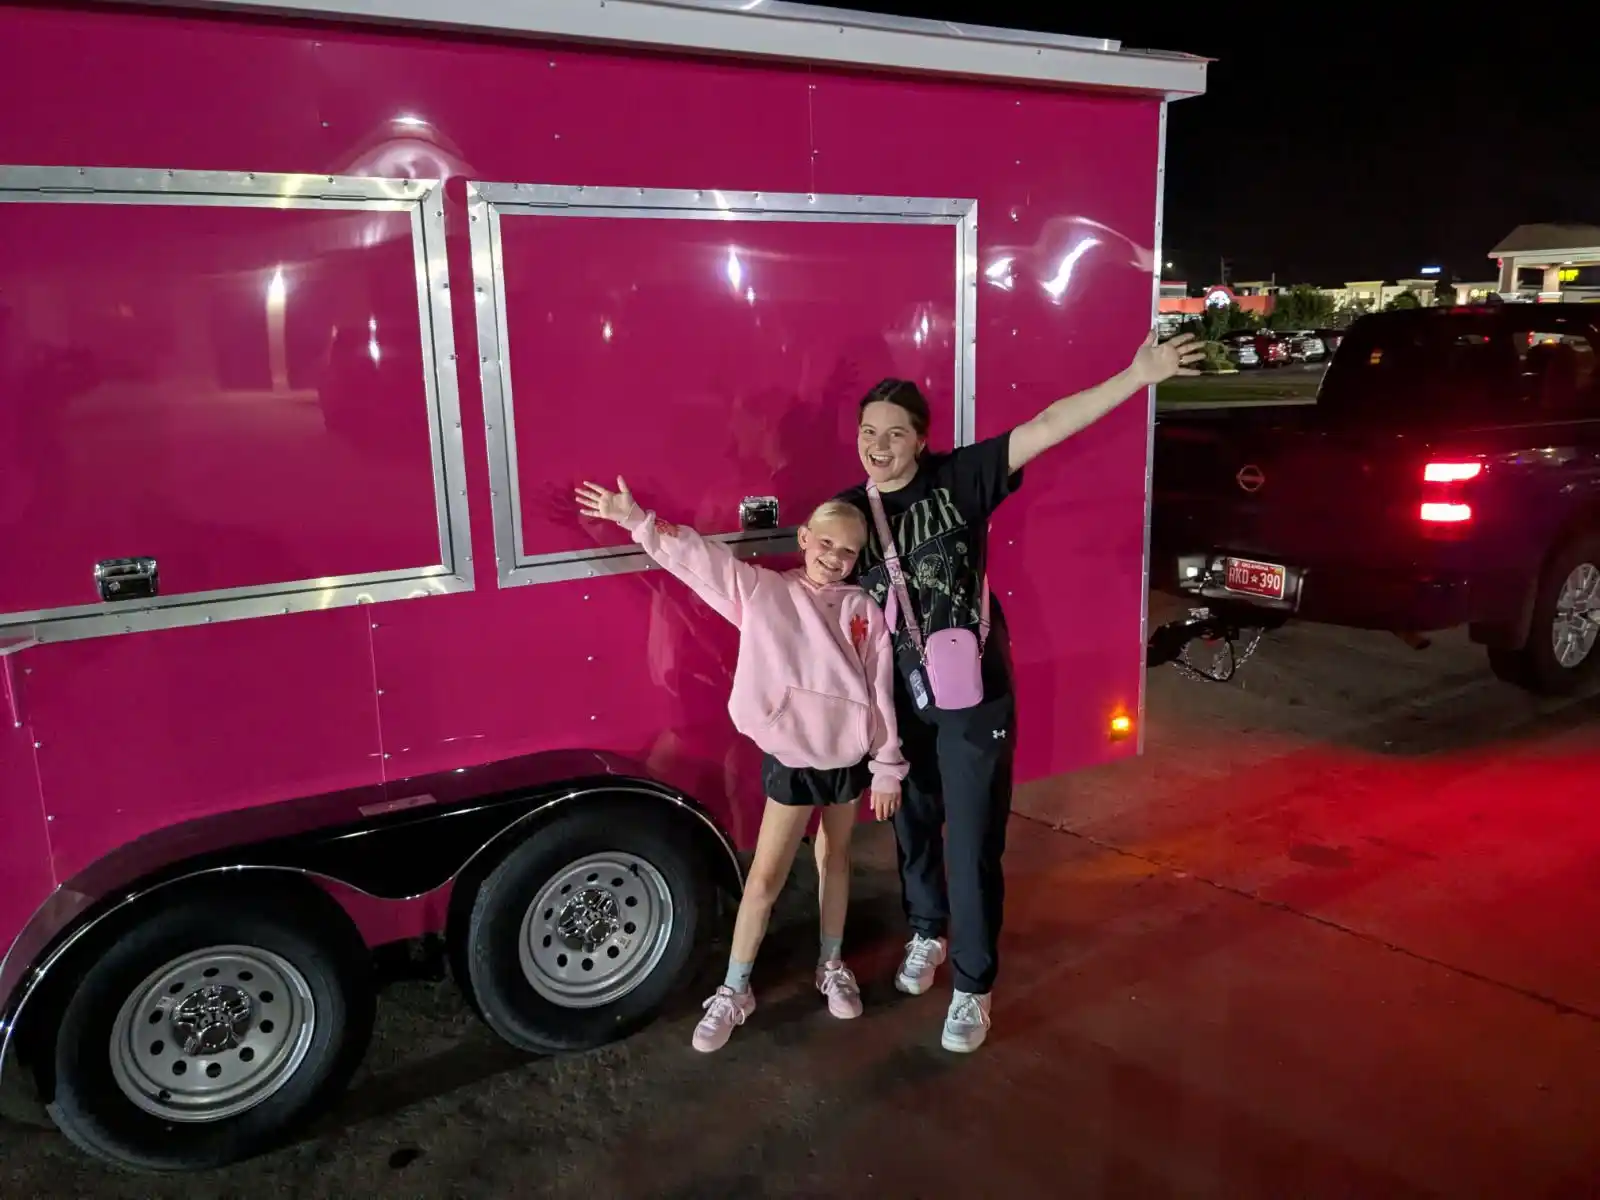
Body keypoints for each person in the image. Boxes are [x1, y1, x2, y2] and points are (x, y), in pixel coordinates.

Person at [834, 329, 1203, 1053]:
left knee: (970, 841)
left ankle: (973, 986)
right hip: (899, 701)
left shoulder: (960, 479)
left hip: (975, 696)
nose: (880, 446)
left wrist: (1137, 376)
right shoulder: (847, 510)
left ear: (922, 439)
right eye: (869, 433)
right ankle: (928, 934)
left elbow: (1047, 426)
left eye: (896, 433)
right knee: (912, 827)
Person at [574, 477, 907, 1053]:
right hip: (794, 759)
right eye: (826, 544)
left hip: (848, 759)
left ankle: (831, 964)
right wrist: (638, 521)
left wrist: (887, 765)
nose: (835, 558)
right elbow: (700, 561)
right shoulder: (765, 592)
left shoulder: (862, 607)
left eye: (849, 552)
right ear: (804, 538)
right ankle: (735, 989)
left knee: (837, 859)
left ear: (860, 558)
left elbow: (880, 688)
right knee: (765, 878)